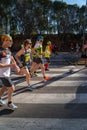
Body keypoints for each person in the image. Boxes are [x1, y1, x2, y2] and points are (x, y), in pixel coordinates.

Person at [0, 34, 20, 110]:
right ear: (5, 41)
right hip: (2, 74)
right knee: (12, 88)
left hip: (7, 73)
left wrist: (16, 66)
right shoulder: (1, 51)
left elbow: (12, 58)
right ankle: (9, 103)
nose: (11, 42)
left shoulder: (8, 50)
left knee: (5, 87)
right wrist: (9, 65)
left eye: (12, 41)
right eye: (10, 41)